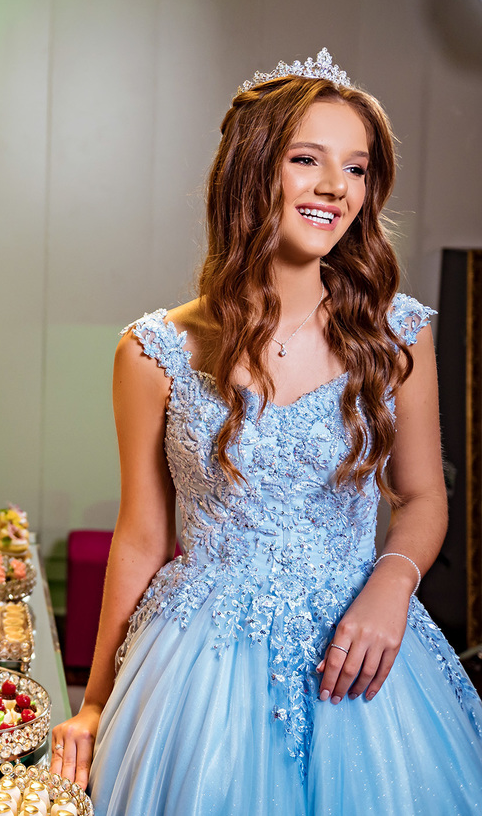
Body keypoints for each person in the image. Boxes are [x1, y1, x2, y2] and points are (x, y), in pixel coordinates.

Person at [49, 50, 482, 815]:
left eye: (356, 168)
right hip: (197, 667)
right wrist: (94, 702)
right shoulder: (153, 352)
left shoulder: (398, 335)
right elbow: (143, 538)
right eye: (306, 158)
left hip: (364, 659)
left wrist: (391, 584)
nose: (333, 188)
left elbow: (422, 498)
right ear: (253, 170)